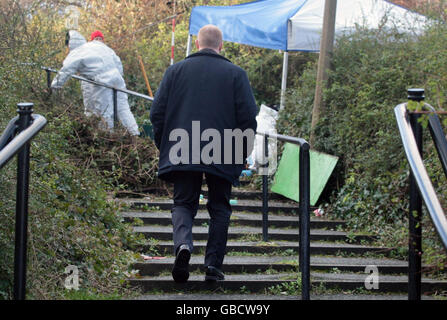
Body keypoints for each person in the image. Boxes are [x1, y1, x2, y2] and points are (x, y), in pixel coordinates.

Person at [150, 25, 257, 283]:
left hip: (181, 145)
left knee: (183, 204)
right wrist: (241, 153)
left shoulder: (175, 71)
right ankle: (213, 267)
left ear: (197, 44)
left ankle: (183, 245)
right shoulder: (236, 74)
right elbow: (248, 120)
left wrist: (165, 146)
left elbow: (157, 114)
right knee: (219, 207)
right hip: (224, 147)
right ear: (221, 46)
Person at [51, 30, 139, 136]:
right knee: (123, 109)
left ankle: (107, 139)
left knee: (105, 113)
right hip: (117, 79)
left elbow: (65, 71)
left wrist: (55, 87)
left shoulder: (77, 52)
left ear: (70, 44)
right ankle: (135, 135)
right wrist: (118, 76)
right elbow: (118, 62)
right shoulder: (99, 46)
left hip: (102, 82)